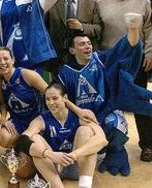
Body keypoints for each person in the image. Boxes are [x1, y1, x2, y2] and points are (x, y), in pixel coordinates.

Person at [57, 13, 149, 176]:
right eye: (82, 44)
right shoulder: (64, 72)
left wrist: (133, 27)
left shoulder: (101, 59)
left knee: (117, 123)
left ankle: (116, 150)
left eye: (89, 43)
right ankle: (90, 151)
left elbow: (126, 48)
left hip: (105, 111)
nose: (88, 47)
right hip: (81, 118)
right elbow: (60, 100)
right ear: (72, 50)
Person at [98, 0, 152, 162]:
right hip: (110, 61)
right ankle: (106, 144)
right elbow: (97, 31)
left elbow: (150, 29)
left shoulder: (143, 1)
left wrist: (149, 52)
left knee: (139, 101)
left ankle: (147, 144)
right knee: (106, 101)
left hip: (135, 61)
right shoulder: (101, 3)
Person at [16, 83, 108, 188]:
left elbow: (102, 140)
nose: (51, 103)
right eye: (47, 99)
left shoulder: (79, 117)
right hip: (54, 166)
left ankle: (85, 185)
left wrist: (74, 155)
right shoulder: (41, 120)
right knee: (35, 138)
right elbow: (21, 141)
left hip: (76, 165)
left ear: (65, 98)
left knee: (85, 131)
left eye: (55, 98)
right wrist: (50, 154)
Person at [46, 0, 102, 70]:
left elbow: (98, 29)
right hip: (58, 59)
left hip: (83, 58)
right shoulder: (52, 2)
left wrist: (82, 27)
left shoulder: (91, 4)